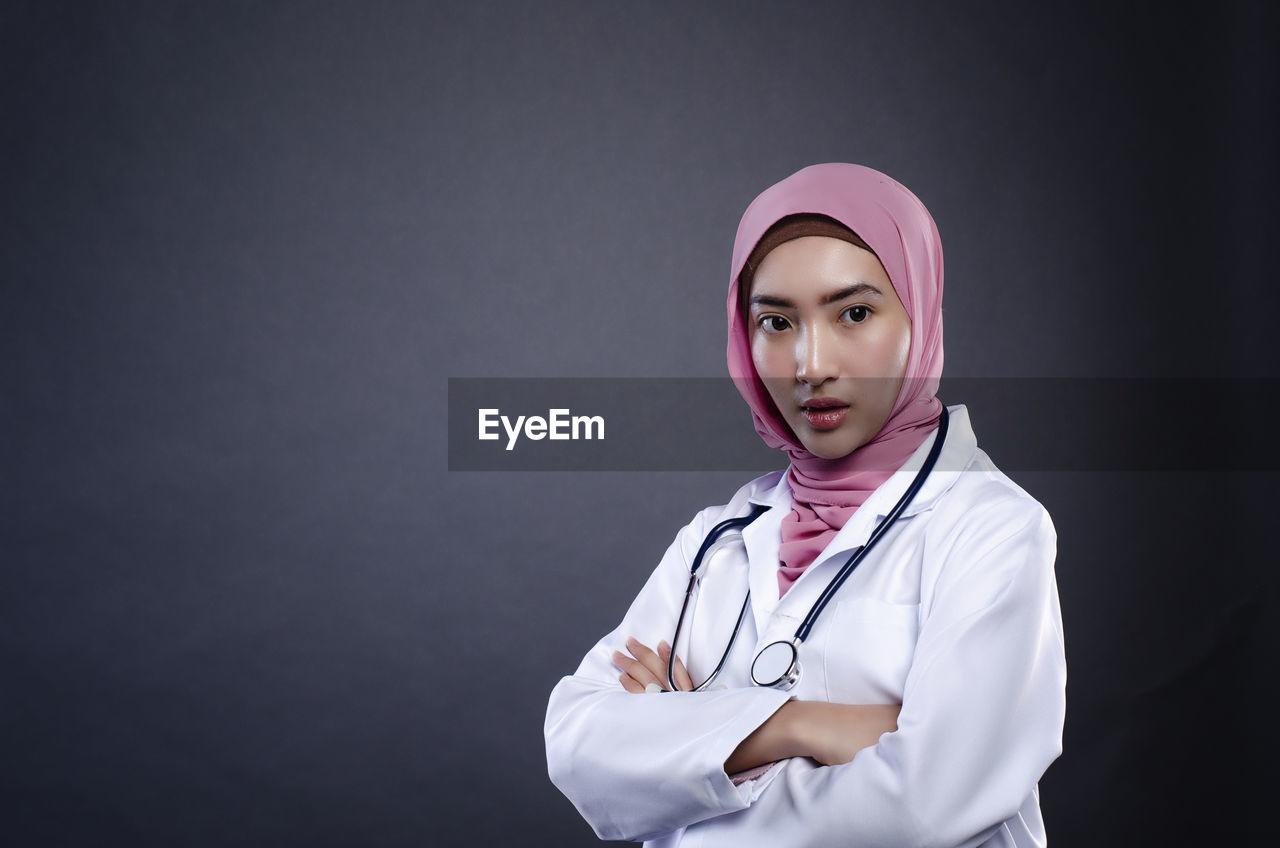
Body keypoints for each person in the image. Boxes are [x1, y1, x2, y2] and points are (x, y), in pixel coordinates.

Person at [544, 163, 1066, 847]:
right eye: (777, 321)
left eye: (854, 313)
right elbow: (579, 746)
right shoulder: (717, 541)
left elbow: (922, 807)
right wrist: (798, 724)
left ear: (920, 310)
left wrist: (693, 743)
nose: (810, 362)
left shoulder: (991, 529)